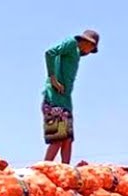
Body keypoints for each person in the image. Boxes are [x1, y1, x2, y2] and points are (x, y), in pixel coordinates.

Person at [42, 29, 100, 164]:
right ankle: (43, 169)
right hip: (54, 100)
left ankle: (66, 171)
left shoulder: (76, 54)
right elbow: (50, 53)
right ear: (87, 42)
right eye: (91, 46)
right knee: (58, 138)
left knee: (67, 139)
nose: (90, 51)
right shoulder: (71, 43)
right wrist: (53, 79)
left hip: (65, 102)